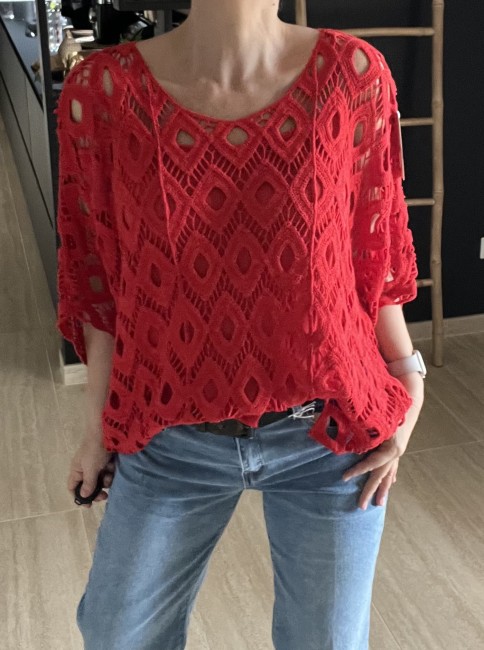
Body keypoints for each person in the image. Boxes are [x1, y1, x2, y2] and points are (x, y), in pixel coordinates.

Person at [54, 1, 425, 648]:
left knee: (327, 642)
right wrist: (96, 433)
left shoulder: (351, 74)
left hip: (327, 434)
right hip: (169, 435)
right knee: (117, 632)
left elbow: (370, 259)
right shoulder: (103, 93)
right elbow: (103, 289)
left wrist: (407, 379)